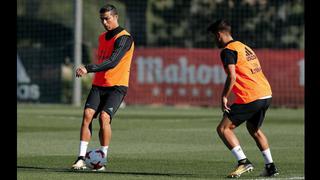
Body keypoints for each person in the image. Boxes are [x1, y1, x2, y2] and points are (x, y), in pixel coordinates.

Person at [207, 19, 279, 178]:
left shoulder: (227, 51)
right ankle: (270, 166)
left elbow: (232, 76)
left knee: (223, 129)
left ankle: (243, 162)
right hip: (266, 94)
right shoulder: (243, 46)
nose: (214, 41)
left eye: (214, 37)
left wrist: (224, 96)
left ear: (219, 35)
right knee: (254, 129)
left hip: (251, 96)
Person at [71, 4, 134, 171]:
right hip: (99, 85)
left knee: (104, 117)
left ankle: (102, 158)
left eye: (108, 18)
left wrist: (88, 68)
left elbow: (112, 62)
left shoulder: (124, 38)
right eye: (102, 19)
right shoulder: (101, 38)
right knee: (87, 115)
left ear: (116, 17)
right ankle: (80, 159)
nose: (105, 22)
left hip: (117, 86)